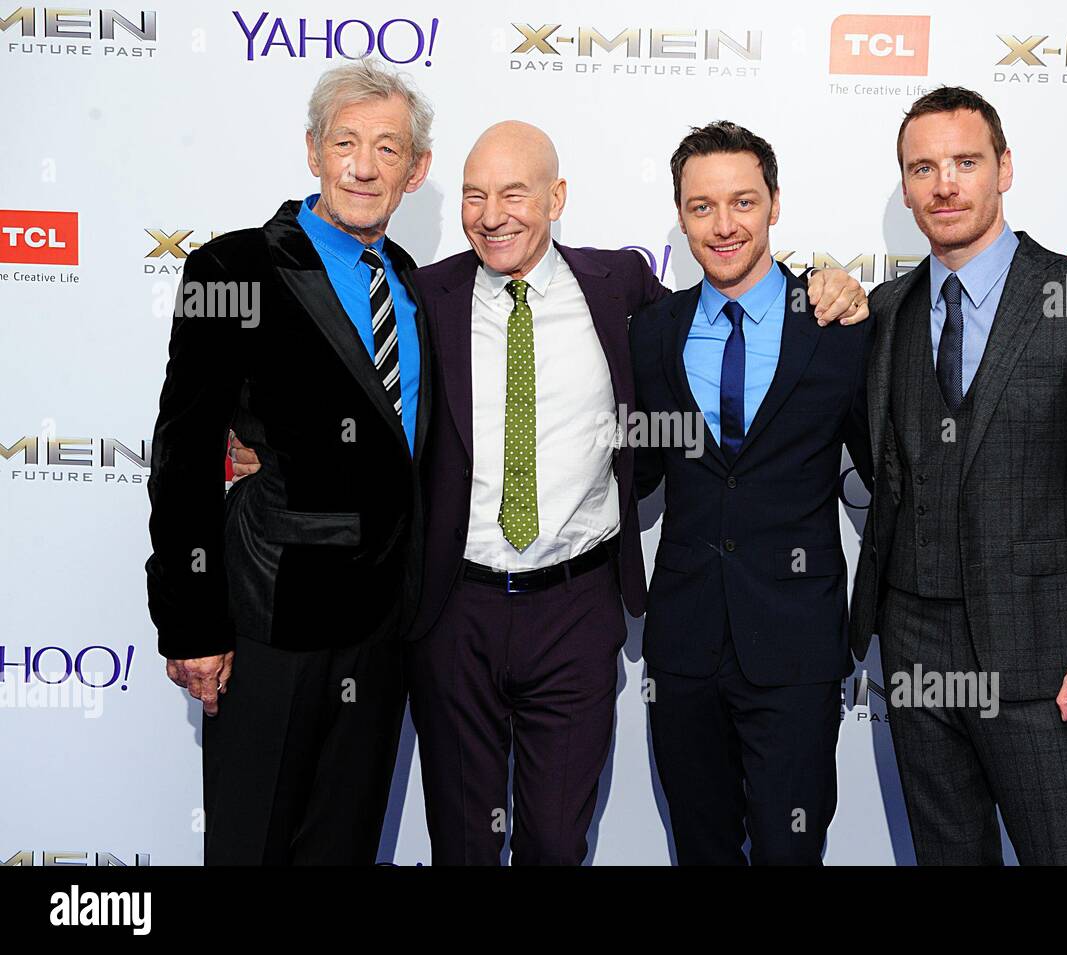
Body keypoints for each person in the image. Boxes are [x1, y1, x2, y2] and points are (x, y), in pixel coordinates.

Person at [235, 120, 870, 864]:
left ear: (556, 197)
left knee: (557, 841)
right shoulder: (423, 295)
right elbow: (349, 378)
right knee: (464, 842)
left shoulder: (622, 292)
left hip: (578, 609)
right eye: (474, 195)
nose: (492, 213)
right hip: (454, 612)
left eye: (514, 192)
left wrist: (831, 276)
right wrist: (274, 447)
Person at [848, 86, 1067, 864]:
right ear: (908, 187)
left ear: (1004, 169)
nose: (944, 184)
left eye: (964, 162)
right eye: (923, 168)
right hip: (913, 646)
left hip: (1041, 656)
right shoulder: (885, 311)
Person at [145, 58, 434, 864]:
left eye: (388, 146)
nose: (364, 165)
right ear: (313, 151)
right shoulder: (232, 268)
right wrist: (192, 619)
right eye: (346, 142)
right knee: (252, 845)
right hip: (271, 620)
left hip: (382, 635)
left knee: (342, 848)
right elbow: (183, 453)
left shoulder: (411, 284)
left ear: (417, 168)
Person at [630, 122, 872, 864]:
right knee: (700, 848)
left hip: (796, 648)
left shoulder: (839, 324)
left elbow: (894, 477)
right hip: (683, 647)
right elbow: (627, 469)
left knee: (789, 850)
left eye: (742, 202)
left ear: (774, 204)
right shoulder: (651, 332)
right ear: (680, 215)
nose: (724, 224)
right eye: (702, 207)